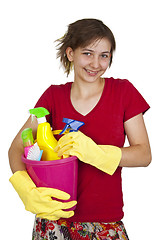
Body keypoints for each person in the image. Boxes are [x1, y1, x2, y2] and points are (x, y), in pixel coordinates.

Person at [8, 18, 151, 240]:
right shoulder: (53, 97)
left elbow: (143, 154)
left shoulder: (123, 92)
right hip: (53, 221)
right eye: (87, 53)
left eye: (104, 55)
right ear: (70, 53)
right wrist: (25, 189)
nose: (96, 64)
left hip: (105, 222)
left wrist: (96, 152)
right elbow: (17, 147)